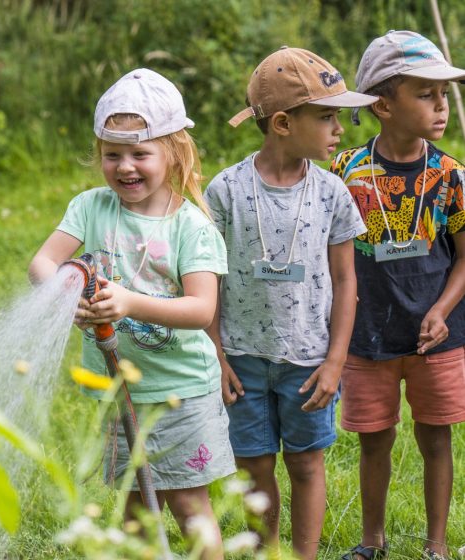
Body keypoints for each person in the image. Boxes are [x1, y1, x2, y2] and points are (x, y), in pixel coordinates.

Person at [29, 68, 235, 558]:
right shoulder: (91, 207)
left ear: (174, 152)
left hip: (180, 393)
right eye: (111, 155)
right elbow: (41, 264)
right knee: (134, 514)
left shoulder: (192, 227)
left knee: (189, 507)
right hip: (119, 391)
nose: (125, 167)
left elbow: (202, 308)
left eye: (140, 153)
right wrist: (66, 293)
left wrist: (127, 301)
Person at [204, 47, 375, 560]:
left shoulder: (332, 193)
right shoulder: (224, 192)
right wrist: (217, 355)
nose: (339, 129)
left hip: (308, 359)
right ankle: (266, 552)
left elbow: (347, 282)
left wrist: (335, 362)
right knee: (254, 467)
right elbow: (205, 278)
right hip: (242, 360)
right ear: (282, 122)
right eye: (327, 117)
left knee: (306, 465)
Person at [329, 30, 465, 560]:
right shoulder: (345, 173)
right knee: (373, 440)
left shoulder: (453, 178)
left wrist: (442, 309)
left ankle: (435, 547)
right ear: (383, 105)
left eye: (444, 93)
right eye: (426, 93)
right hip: (367, 336)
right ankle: (372, 543)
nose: (441, 105)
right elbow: (332, 260)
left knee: (436, 439)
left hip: (439, 335)